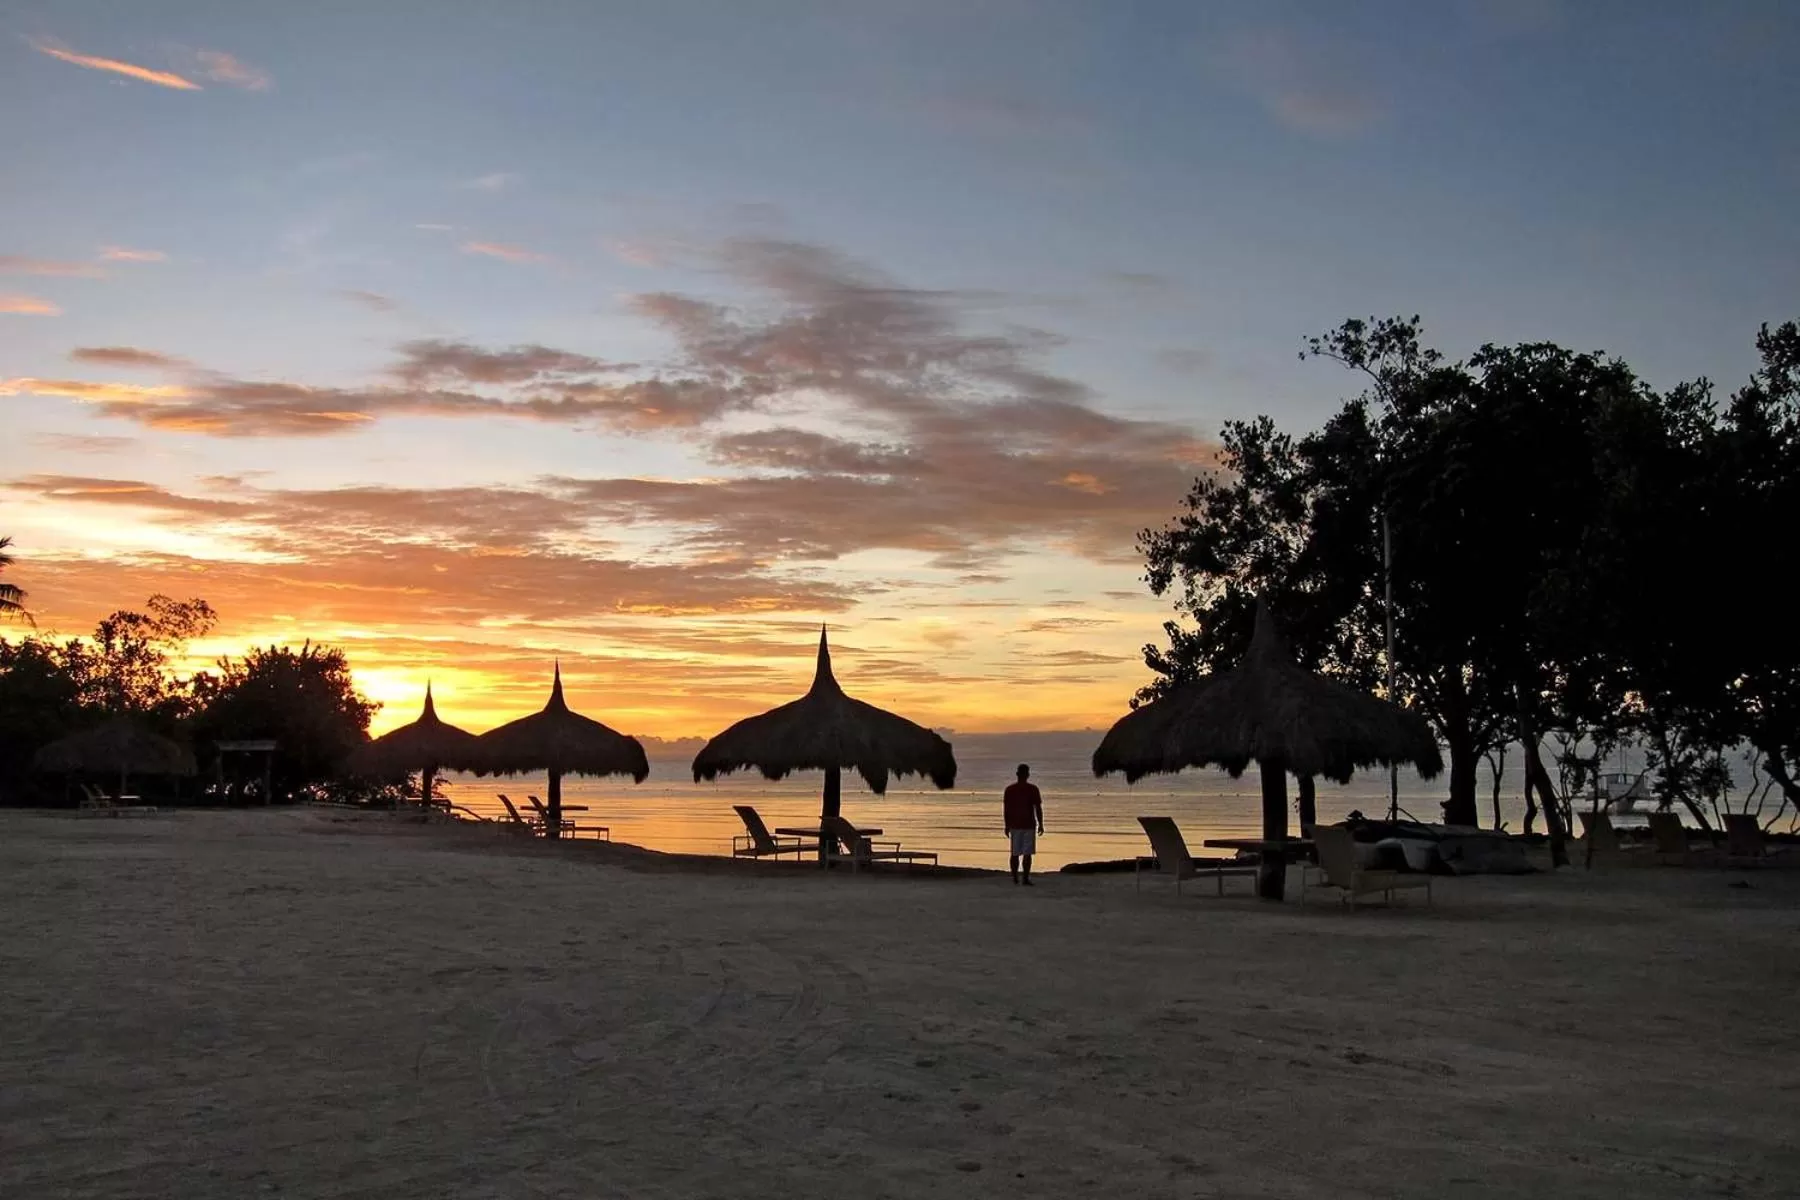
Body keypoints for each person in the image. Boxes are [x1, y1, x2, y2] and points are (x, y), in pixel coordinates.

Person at [1003, 763, 1044, 886]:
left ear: (1017, 774)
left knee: (1015, 853)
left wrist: (1007, 824)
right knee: (1027, 853)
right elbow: (1038, 808)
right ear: (1027, 775)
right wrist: (1041, 823)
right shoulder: (1032, 789)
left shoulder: (1010, 790)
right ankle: (1024, 878)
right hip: (1028, 824)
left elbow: (1006, 809)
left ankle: (1015, 877)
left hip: (1016, 824)